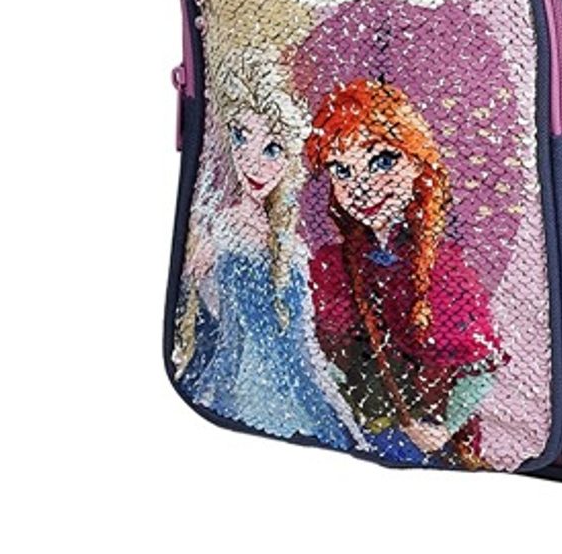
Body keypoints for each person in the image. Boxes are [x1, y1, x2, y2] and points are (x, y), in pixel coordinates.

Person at [303, 77, 509, 468]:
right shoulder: (333, 264)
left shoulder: (443, 269)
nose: (361, 187)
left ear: (417, 162)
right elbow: (325, 355)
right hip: (355, 437)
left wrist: (444, 428)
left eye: (382, 161)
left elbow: (480, 367)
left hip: (435, 449)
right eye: (342, 171)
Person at [172, 47, 361, 450]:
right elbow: (214, 322)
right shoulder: (218, 226)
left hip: (291, 396)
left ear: (291, 156)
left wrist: (346, 418)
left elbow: (305, 349)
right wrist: (198, 275)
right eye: (240, 136)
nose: (253, 164)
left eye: (273, 149)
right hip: (232, 390)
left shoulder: (292, 246)